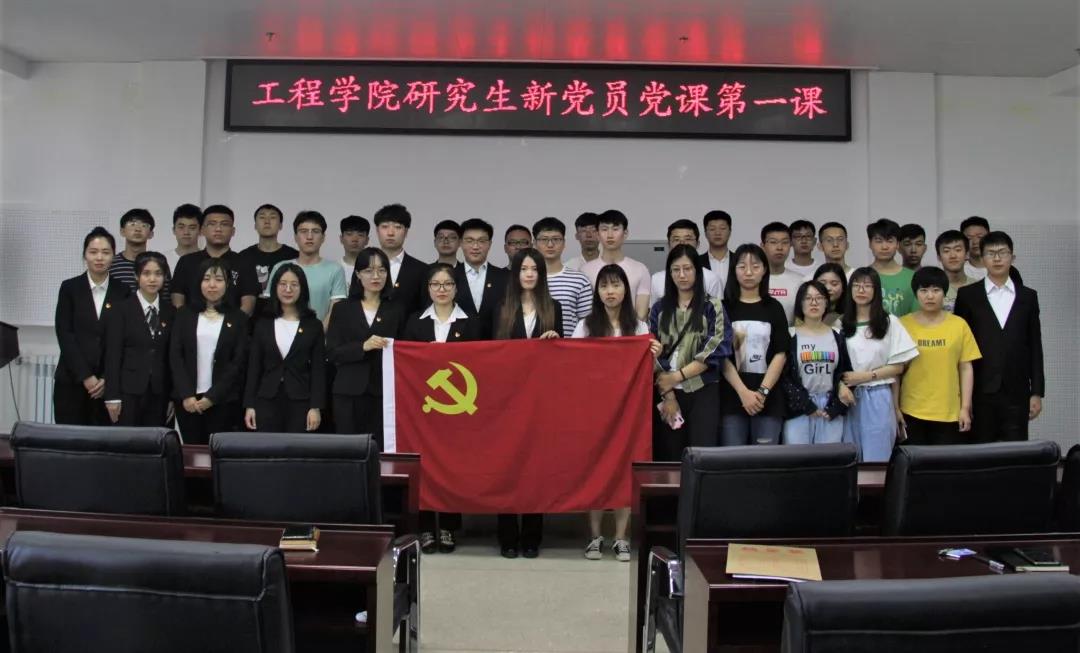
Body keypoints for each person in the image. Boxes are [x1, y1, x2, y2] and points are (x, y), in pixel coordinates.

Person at [575, 264, 662, 562]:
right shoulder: (585, 326)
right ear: (597, 292)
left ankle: (621, 537)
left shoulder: (638, 327)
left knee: (626, 469)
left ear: (626, 289)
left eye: (616, 285)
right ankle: (595, 536)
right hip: (593, 411)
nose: (610, 292)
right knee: (595, 469)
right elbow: (571, 363)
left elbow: (649, 371)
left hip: (628, 412)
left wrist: (654, 354)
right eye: (604, 286)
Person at [402, 263, 478, 555]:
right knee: (423, 465)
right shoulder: (415, 322)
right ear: (428, 289)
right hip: (422, 408)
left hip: (457, 410)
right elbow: (405, 363)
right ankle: (424, 527)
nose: (442, 290)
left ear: (456, 289)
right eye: (436, 284)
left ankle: (448, 526)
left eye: (447, 284)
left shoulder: (470, 322)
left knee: (451, 466)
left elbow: (480, 364)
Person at [493, 248, 562, 559]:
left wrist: (555, 340)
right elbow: (490, 353)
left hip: (541, 399)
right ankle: (507, 536)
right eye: (524, 269)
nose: (530, 274)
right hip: (506, 399)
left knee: (536, 467)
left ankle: (533, 536)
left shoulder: (553, 307)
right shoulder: (501, 307)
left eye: (535, 269)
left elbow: (564, 354)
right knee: (506, 466)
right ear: (516, 274)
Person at [954, 231, 1044, 442]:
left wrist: (1036, 392)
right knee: (980, 452)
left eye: (1002, 252)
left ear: (1012, 257)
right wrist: (962, 398)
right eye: (990, 253)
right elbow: (960, 349)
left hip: (1017, 390)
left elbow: (1035, 345)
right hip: (979, 390)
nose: (997, 258)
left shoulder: (1028, 296)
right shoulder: (967, 295)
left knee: (1016, 452)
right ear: (982, 258)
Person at [650, 245, 732, 460]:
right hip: (667, 391)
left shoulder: (712, 306)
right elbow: (651, 351)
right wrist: (668, 393)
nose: (682, 275)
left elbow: (714, 349)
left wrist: (676, 377)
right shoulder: (659, 308)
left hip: (703, 390)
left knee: (702, 455)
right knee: (670, 455)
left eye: (687, 269)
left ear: (697, 271)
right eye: (676, 270)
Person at [839, 268, 919, 462]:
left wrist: (866, 376)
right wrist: (841, 385)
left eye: (867, 286)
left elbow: (898, 367)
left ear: (876, 291)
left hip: (878, 394)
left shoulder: (889, 322)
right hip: (847, 397)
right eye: (856, 285)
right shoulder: (841, 324)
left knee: (877, 458)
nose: (861, 290)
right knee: (849, 456)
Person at [326, 248, 404, 446]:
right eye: (369, 270)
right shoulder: (342, 308)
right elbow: (332, 352)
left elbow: (404, 350)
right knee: (348, 448)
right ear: (358, 274)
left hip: (383, 393)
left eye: (381, 270)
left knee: (379, 448)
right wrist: (363, 346)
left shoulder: (396, 309)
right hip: (348, 391)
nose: (376, 276)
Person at [169, 257, 250, 444]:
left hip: (223, 400)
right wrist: (186, 395)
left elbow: (238, 362)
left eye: (219, 280)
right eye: (206, 279)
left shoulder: (238, 318)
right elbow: (175, 356)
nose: (212, 285)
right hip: (188, 401)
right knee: (191, 453)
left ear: (227, 284)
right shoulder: (184, 314)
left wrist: (212, 397)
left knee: (218, 452)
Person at [54, 227, 129, 425]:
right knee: (69, 439)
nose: (99, 258)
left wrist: (106, 378)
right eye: (93, 252)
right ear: (85, 255)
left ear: (113, 256)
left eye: (105, 252)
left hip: (108, 386)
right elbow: (65, 334)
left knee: (103, 440)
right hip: (71, 380)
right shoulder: (70, 288)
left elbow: (124, 339)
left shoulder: (123, 291)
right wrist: (86, 376)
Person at [898, 267, 982, 445]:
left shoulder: (959, 325)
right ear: (916, 294)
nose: (930, 296)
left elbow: (966, 368)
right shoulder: (902, 325)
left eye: (936, 290)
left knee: (946, 462)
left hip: (949, 412)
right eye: (923, 290)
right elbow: (896, 370)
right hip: (911, 410)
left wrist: (965, 408)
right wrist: (895, 408)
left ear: (944, 293)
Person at [720, 244, 790, 445]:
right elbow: (721, 355)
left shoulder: (774, 307)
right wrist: (743, 392)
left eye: (755, 266)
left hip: (768, 399)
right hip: (732, 398)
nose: (749, 272)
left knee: (765, 460)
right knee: (732, 459)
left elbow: (781, 353)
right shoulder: (723, 308)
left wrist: (762, 392)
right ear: (734, 270)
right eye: (742, 266)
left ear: (764, 270)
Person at [243, 263, 325, 434]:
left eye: (294, 284)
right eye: (283, 284)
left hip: (300, 399)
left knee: (296, 448)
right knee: (267, 448)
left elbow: (318, 369)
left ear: (302, 289)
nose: (288, 289)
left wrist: (315, 407)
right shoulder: (263, 323)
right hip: (266, 398)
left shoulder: (313, 325)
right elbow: (254, 367)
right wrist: (250, 405)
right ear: (275, 287)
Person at [104, 251, 175, 427]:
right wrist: (112, 396)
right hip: (127, 391)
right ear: (136, 276)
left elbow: (172, 357)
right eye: (146, 273)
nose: (152, 279)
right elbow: (113, 355)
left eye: (158, 274)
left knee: (156, 441)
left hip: (160, 392)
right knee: (127, 441)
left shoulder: (171, 312)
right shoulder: (121, 310)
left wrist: (173, 397)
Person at [780, 281, 854, 445]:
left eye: (819, 298)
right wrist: (806, 405)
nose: (814, 302)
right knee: (797, 457)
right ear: (800, 303)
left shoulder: (837, 335)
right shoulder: (790, 335)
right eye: (808, 298)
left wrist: (836, 406)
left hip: (830, 408)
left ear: (826, 303)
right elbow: (784, 377)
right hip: (799, 408)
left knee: (829, 458)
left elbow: (845, 372)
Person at [171, 205, 260, 316]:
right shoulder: (186, 261)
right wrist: (188, 322)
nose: (218, 229)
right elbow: (177, 300)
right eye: (212, 224)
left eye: (224, 224)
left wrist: (232, 324)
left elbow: (248, 304)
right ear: (202, 230)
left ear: (233, 231)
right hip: (191, 325)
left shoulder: (245, 262)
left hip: (233, 325)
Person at [265, 211, 348, 325]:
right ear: (295, 237)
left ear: (323, 237)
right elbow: (271, 307)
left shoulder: (335, 269)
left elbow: (335, 311)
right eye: (303, 231)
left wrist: (317, 333)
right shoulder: (280, 267)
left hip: (320, 334)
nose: (309, 237)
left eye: (315, 231)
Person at [580, 210, 651, 319]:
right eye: (604, 229)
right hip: (596, 328)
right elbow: (585, 312)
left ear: (625, 233)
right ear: (598, 235)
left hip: (631, 328)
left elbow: (641, 314)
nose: (610, 235)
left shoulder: (640, 269)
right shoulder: (585, 271)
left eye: (615, 229)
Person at [239, 203, 299, 321]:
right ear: (255, 225)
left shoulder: (293, 256)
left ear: (280, 225)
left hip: (285, 321)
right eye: (262, 217)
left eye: (272, 217)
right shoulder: (243, 256)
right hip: (248, 324)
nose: (267, 221)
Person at [533, 217, 591, 338]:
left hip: (569, 347)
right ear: (534, 243)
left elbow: (587, 323)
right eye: (544, 239)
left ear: (564, 243)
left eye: (556, 239)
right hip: (532, 347)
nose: (550, 244)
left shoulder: (579, 280)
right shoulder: (526, 279)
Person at [454, 218, 508, 339]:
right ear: (461, 243)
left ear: (489, 244)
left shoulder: (505, 277)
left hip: (496, 343)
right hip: (459, 345)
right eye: (469, 241)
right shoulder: (450, 277)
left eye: (481, 241)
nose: (475, 246)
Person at [651, 220, 723, 307]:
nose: (682, 243)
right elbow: (653, 311)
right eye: (676, 239)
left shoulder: (712, 278)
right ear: (668, 244)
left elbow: (717, 311)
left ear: (698, 243)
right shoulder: (656, 279)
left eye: (688, 239)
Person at [373, 203, 427, 319]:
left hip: (408, 329)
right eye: (385, 227)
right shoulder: (365, 266)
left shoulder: (422, 270)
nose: (390, 233)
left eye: (397, 227)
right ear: (377, 230)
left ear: (406, 232)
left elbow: (425, 310)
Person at [867, 218, 917, 316]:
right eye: (879, 241)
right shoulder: (861, 276)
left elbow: (917, 317)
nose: (884, 247)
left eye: (890, 241)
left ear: (897, 244)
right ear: (870, 244)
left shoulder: (913, 278)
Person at [110, 208, 165, 295]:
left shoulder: (158, 263)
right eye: (132, 224)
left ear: (151, 234)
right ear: (122, 231)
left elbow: (165, 298)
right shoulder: (111, 264)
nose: (138, 229)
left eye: (144, 225)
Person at [759, 222, 804, 324]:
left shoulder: (800, 281)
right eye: (773, 242)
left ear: (790, 245)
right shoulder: (752, 280)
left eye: (785, 242)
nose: (779, 247)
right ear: (762, 246)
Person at [935, 229, 974, 312]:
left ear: (967, 254)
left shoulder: (978, 287)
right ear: (939, 257)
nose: (953, 256)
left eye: (958, 250)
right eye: (946, 251)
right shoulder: (932, 289)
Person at [164, 203, 201, 275]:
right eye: (181, 227)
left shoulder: (209, 261)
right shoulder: (163, 260)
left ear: (200, 231)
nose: (186, 232)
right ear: (173, 230)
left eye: (192, 228)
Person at [699, 210, 733, 291]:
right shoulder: (696, 262)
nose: (717, 233)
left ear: (730, 232)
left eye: (722, 228)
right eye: (712, 229)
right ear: (705, 233)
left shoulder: (739, 261)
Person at [812, 263, 847, 327]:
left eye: (834, 284)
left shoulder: (850, 315)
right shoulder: (804, 311)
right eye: (822, 284)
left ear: (843, 287)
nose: (828, 288)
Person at [340, 215, 371, 279]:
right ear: (341, 239)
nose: (354, 239)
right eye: (349, 234)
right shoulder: (334, 269)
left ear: (367, 240)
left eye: (360, 235)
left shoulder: (376, 269)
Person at [960, 215, 990, 280]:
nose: (975, 242)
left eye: (980, 237)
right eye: (969, 238)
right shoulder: (959, 271)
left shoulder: (1003, 268)